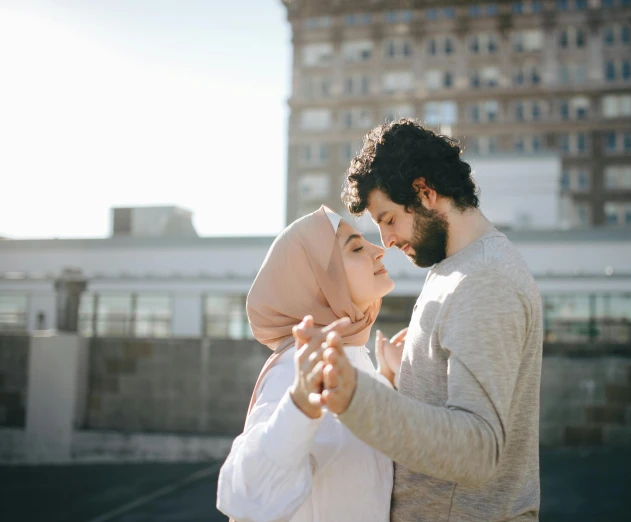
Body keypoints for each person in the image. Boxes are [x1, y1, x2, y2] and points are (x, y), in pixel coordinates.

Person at [300, 119, 544, 521]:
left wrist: (358, 397)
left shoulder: (484, 280)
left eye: (389, 219)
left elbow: (478, 451)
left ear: (425, 193)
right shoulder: (452, 269)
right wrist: (407, 380)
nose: (388, 241)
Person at [216, 205, 403, 522]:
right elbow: (245, 496)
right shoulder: (295, 369)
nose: (380, 250)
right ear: (320, 281)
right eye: (356, 247)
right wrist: (301, 401)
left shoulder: (353, 358)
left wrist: (387, 380)